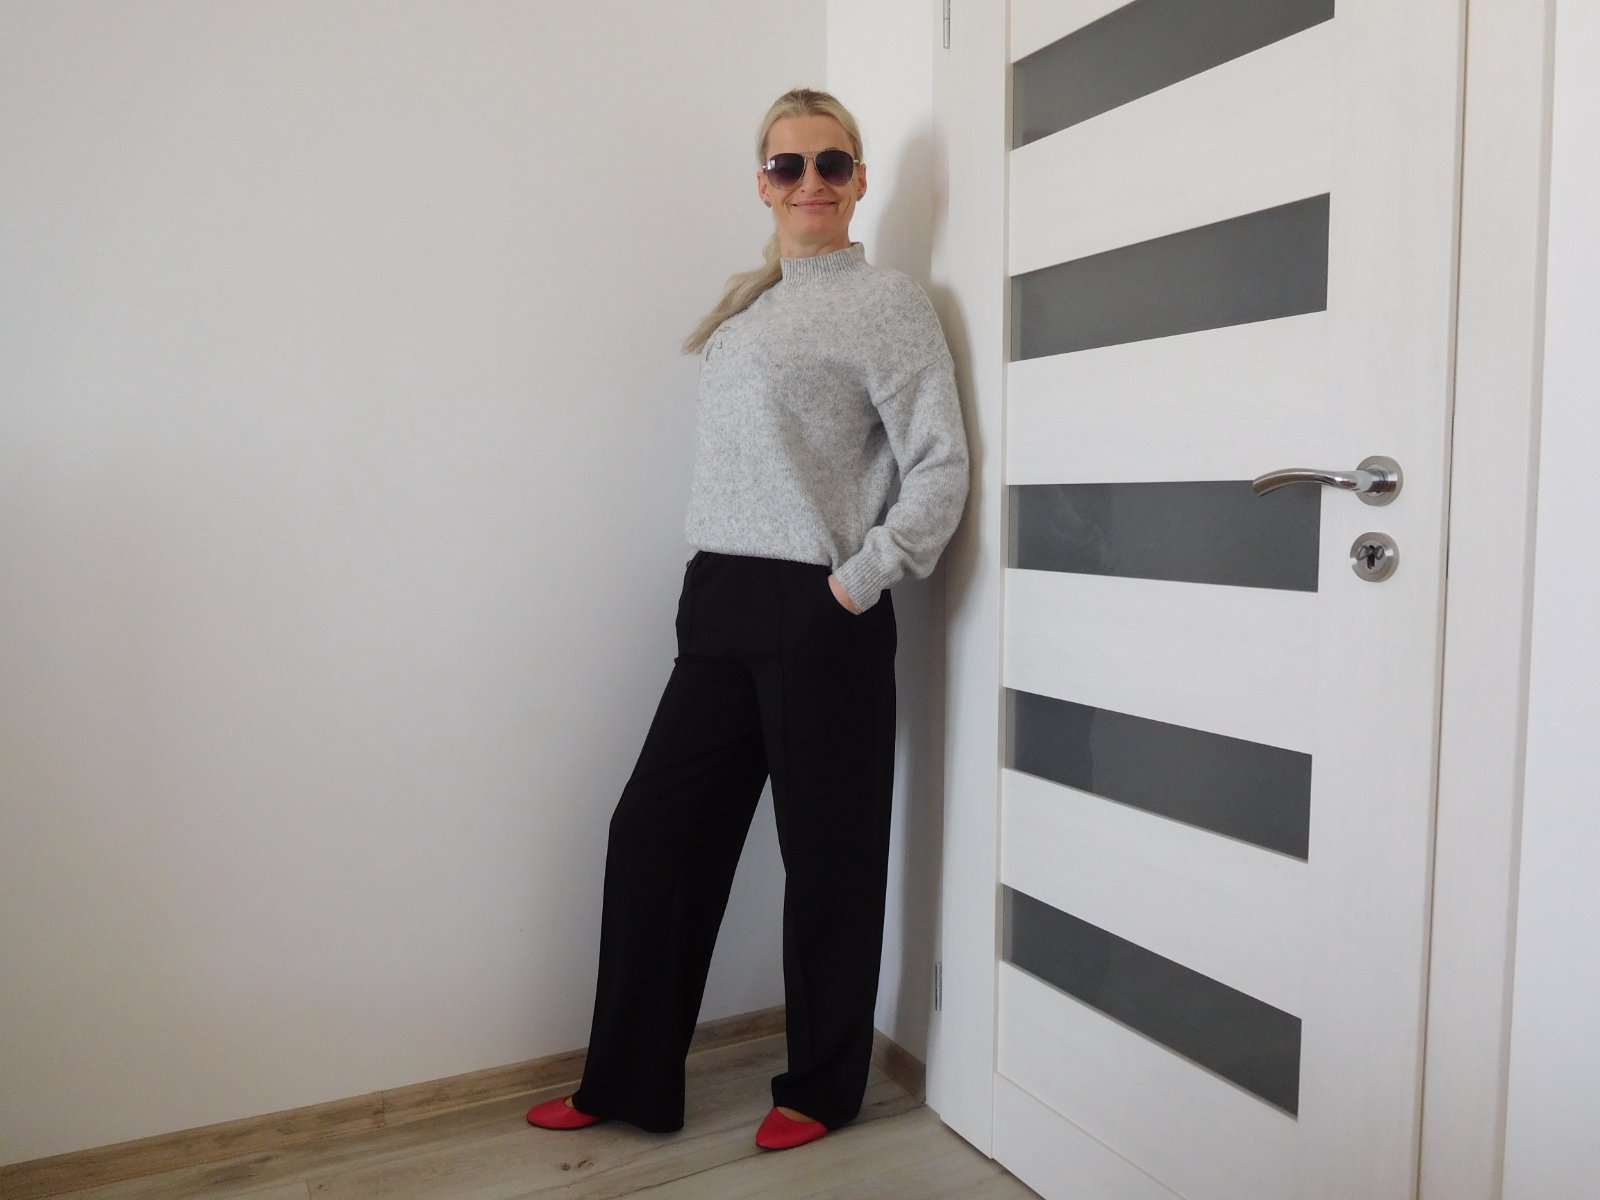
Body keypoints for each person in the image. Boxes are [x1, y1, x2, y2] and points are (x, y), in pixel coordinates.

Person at [526, 87, 968, 1152]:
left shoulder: (888, 303)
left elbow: (940, 467)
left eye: (830, 163)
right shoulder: (752, 306)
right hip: (720, 601)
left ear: (858, 181)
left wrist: (857, 583)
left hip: (820, 605)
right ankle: (629, 1079)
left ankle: (821, 1089)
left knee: (828, 859)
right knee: (654, 833)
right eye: (788, 165)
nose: (810, 182)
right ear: (763, 185)